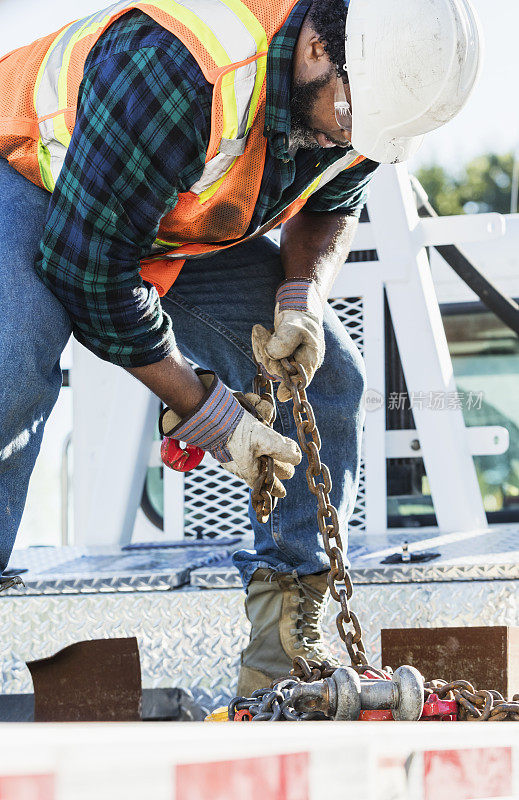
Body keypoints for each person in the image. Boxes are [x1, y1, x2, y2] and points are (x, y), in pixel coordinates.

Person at [0, 0, 481, 694]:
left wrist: (301, 302)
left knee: (325, 379)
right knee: (11, 378)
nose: (350, 140)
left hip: (157, 214)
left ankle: (281, 656)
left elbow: (331, 202)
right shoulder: (182, 70)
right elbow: (88, 274)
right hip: (28, 169)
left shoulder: (364, 99)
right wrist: (213, 418)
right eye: (348, 122)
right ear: (317, 51)